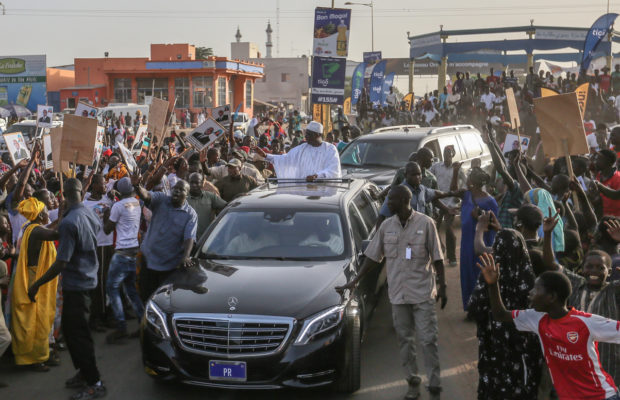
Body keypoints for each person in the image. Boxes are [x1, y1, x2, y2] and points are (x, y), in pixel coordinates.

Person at [336, 185, 447, 400]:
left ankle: (434, 385)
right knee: (405, 341)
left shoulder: (426, 224)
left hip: (422, 293)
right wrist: (355, 281)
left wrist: (443, 285)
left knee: (428, 340)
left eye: (392, 200)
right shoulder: (387, 226)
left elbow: (438, 258)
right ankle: (412, 383)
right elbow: (372, 256)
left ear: (405, 200)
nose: (388, 203)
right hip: (398, 294)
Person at [477, 253, 620, 400]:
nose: (530, 293)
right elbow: (500, 315)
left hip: (602, 396)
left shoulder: (586, 322)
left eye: (536, 290)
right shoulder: (536, 317)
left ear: (551, 297)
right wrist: (493, 284)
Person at [27, 178, 107, 400]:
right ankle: (83, 373)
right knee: (72, 335)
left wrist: (36, 284)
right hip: (88, 280)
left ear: (65, 195)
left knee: (79, 337)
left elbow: (62, 262)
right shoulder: (89, 213)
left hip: (77, 286)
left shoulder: (70, 222)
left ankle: (95, 383)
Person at [468, 229, 541, 399]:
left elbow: (474, 309)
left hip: (494, 344)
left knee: (495, 383)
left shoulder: (488, 276)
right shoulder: (531, 281)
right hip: (524, 348)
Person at [10, 197, 59, 371]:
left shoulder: (30, 227)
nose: (48, 212)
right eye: (45, 210)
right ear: (39, 214)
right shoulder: (35, 230)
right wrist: (69, 214)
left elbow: (50, 228)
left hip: (35, 277)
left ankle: (41, 354)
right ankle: (35, 359)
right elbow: (54, 233)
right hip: (33, 279)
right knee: (36, 320)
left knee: (40, 319)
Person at [131, 175, 197, 301]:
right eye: (175, 188)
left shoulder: (190, 214)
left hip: (169, 265)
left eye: (181, 189)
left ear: (187, 195)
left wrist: (186, 256)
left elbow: (189, 238)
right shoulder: (161, 199)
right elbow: (146, 196)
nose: (177, 191)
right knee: (145, 297)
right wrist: (137, 186)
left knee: (162, 300)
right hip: (149, 260)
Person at [102, 177, 144, 344]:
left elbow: (107, 230)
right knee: (131, 290)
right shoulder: (136, 202)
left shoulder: (117, 206)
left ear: (119, 191)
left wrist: (107, 213)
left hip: (121, 253)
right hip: (134, 251)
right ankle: (142, 324)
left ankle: (121, 327)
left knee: (111, 288)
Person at [454, 166, 498, 310]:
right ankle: (472, 306)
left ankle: (482, 307)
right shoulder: (466, 195)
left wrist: (478, 218)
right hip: (467, 243)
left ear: (471, 181)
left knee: (480, 273)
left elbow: (495, 225)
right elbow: (453, 190)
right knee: (468, 272)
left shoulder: (489, 201)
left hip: (482, 243)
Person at [253, 121, 341, 181]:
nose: (306, 137)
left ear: (317, 134)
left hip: (324, 190)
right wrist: (266, 156)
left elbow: (333, 170)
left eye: (308, 134)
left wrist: (317, 176)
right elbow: (286, 159)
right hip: (303, 189)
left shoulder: (330, 149)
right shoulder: (302, 148)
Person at [82, 174, 114, 331]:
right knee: (99, 283)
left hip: (109, 244)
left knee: (107, 281)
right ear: (93, 186)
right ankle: (97, 317)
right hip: (97, 245)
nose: (105, 186)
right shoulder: (85, 204)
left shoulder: (108, 200)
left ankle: (107, 313)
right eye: (102, 184)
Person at [430, 145, 466, 266]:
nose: (446, 155)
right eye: (445, 153)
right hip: (438, 203)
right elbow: (428, 178)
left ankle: (452, 257)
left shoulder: (457, 168)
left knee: (449, 230)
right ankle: (440, 250)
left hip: (451, 203)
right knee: (434, 228)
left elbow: (465, 183)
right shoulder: (436, 167)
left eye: (449, 153)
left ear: (452, 154)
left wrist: (459, 196)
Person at [187, 172, 227, 238]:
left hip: (205, 238)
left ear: (202, 184)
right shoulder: (184, 198)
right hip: (188, 238)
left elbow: (226, 206)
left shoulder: (210, 196)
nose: (194, 185)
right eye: (192, 182)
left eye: (197, 183)